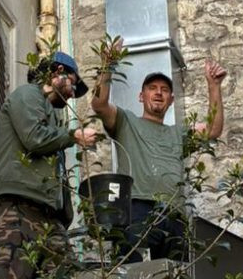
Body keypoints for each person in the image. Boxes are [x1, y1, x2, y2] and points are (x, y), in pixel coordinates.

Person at [0, 52, 99, 279]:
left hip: (48, 218)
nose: (72, 93)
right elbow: (34, 138)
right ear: (57, 72)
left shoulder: (52, 115)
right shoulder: (27, 96)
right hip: (16, 210)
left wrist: (65, 213)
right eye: (72, 84)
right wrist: (73, 136)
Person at [89, 46, 227, 218]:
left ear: (171, 100)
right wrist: (108, 65)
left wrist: (214, 86)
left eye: (165, 89)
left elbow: (212, 130)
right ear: (141, 96)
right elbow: (99, 105)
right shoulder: (126, 121)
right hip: (137, 207)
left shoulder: (178, 134)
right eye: (152, 88)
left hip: (174, 213)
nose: (159, 93)